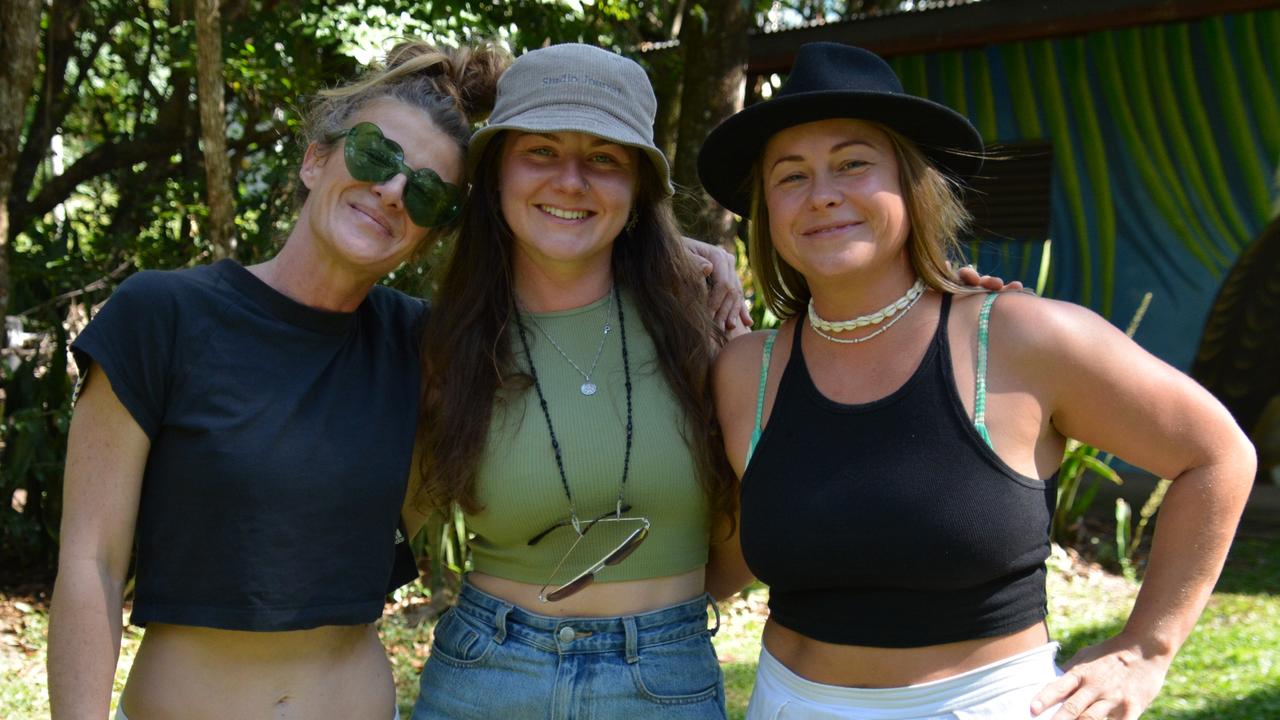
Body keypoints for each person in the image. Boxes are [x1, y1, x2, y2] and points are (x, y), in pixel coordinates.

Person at [698, 43, 1255, 720]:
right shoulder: (743, 372)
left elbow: (1218, 455)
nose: (823, 195)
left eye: (852, 164)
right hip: (790, 703)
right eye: (791, 176)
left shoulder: (1020, 338)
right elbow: (724, 562)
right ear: (766, 209)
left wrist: (1146, 648)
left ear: (911, 182)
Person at [47, 41, 508, 720]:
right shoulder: (162, 316)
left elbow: (563, 257)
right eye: (377, 155)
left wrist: (687, 259)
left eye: (430, 192)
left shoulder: (424, 348)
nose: (393, 192)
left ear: (430, 235)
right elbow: (92, 565)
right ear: (316, 158)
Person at [408, 43, 742, 719]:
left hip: (664, 680)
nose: (570, 181)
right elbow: (406, 514)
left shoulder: (704, 326)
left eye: (603, 158)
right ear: (497, 172)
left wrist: (958, 302)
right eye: (540, 151)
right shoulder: (441, 343)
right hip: (485, 675)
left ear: (637, 189)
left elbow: (744, 530)